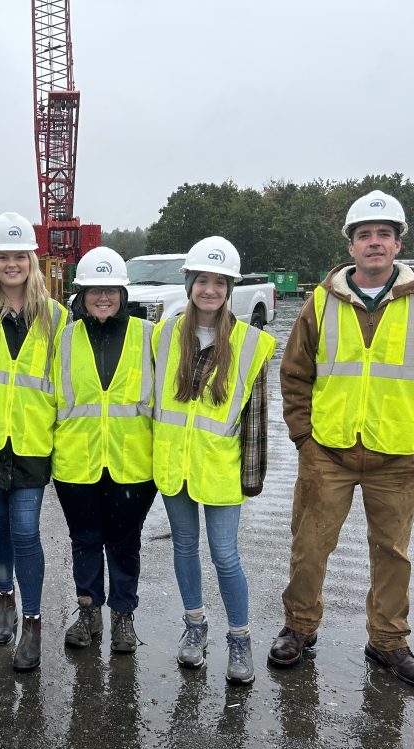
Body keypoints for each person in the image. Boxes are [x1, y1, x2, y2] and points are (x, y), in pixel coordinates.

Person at [269, 189, 414, 689]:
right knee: (309, 546)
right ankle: (299, 628)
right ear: (351, 246)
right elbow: (294, 374)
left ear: (398, 244)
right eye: (364, 235)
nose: (374, 243)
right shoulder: (320, 301)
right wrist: (304, 439)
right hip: (327, 452)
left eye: (383, 234)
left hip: (399, 454)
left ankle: (388, 641)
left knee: (392, 552)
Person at [152, 236, 275, 682]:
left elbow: (257, 417)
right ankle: (194, 629)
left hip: (220, 468)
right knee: (184, 548)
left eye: (219, 282)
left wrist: (252, 477)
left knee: (225, 556)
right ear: (189, 283)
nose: (210, 290)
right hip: (173, 466)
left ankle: (239, 640)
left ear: (229, 288)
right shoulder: (163, 334)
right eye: (202, 280)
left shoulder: (249, 343)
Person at [0, 211, 68, 672]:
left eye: (19, 255)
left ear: (32, 259)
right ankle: (5, 599)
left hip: (31, 442)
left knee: (26, 531)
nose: (11, 264)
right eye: (3, 256)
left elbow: (64, 383)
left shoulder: (55, 317)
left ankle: (33, 621)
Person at [51, 247, 157, 654]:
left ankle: (123, 615)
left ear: (123, 293)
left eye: (111, 289)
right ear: (81, 294)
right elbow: (50, 397)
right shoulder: (64, 338)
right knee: (85, 539)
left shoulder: (149, 336)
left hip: (132, 462)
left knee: (125, 541)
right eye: (94, 289)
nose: (103, 297)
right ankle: (89, 611)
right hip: (77, 460)